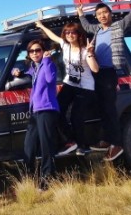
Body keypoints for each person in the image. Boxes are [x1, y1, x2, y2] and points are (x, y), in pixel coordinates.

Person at [77, 0, 131, 161]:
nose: (102, 16)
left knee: (110, 109)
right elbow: (85, 26)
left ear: (110, 13)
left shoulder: (117, 26)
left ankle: (116, 144)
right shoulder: (98, 30)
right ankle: (108, 140)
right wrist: (80, 15)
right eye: (99, 14)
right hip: (98, 73)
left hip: (110, 72)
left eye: (105, 13)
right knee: (103, 109)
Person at [35, 21, 99, 156]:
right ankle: (70, 141)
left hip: (85, 87)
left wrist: (90, 53)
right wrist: (41, 27)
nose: (70, 35)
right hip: (70, 83)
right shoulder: (65, 45)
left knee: (76, 116)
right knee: (57, 111)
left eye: (73, 32)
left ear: (79, 34)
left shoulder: (84, 50)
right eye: (67, 32)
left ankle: (82, 146)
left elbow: (95, 69)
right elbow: (53, 36)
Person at [13, 39, 59, 191]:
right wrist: (18, 72)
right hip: (35, 111)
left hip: (47, 109)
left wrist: (46, 59)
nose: (34, 53)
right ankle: (28, 179)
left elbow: (50, 79)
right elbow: (29, 75)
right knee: (29, 145)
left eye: (38, 50)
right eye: (31, 51)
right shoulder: (34, 67)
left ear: (43, 51)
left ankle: (47, 180)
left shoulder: (48, 64)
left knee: (46, 147)